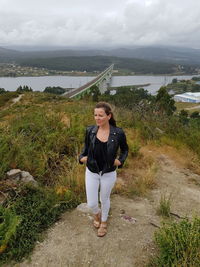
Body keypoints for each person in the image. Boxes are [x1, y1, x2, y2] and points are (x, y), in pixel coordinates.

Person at [79, 102, 128, 237]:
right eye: (95, 115)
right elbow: (85, 149)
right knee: (92, 203)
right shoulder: (90, 131)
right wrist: (82, 157)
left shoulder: (118, 133)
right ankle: (97, 214)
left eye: (100, 115)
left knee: (104, 198)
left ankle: (104, 221)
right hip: (92, 171)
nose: (97, 118)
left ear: (108, 116)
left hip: (108, 172)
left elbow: (125, 149)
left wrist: (120, 160)